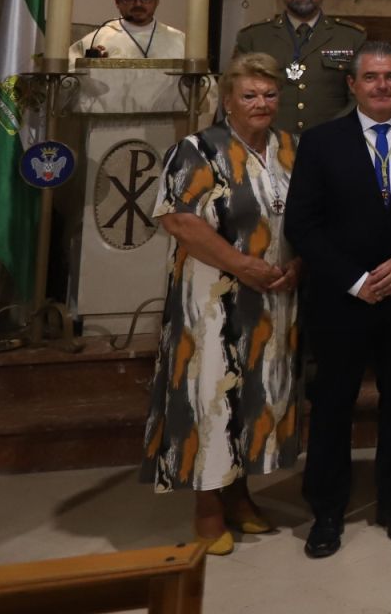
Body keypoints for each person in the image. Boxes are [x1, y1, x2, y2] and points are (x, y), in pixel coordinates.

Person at [284, 44, 391, 558]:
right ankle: (327, 510)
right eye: (371, 77)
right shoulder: (320, 142)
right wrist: (354, 279)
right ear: (352, 85)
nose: (382, 86)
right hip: (340, 299)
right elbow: (303, 225)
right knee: (332, 405)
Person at [141, 52, 303, 556]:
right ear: (228, 100)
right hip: (211, 298)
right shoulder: (197, 149)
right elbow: (179, 221)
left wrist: (298, 264)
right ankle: (207, 507)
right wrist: (242, 264)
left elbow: (306, 214)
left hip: (274, 295)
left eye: (269, 94)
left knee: (256, 396)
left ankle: (240, 493)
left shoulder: (289, 148)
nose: (261, 103)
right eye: (249, 95)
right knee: (209, 394)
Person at [235, 0, 365, 139]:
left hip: (331, 143)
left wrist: (331, 133)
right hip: (267, 143)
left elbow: (359, 97)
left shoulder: (351, 37)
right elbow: (237, 94)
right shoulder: (254, 37)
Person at [75, 0, 188, 60]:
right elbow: (71, 80)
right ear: (117, 1)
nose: (138, 4)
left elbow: (201, 84)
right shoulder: (96, 40)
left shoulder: (180, 41)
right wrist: (89, 66)